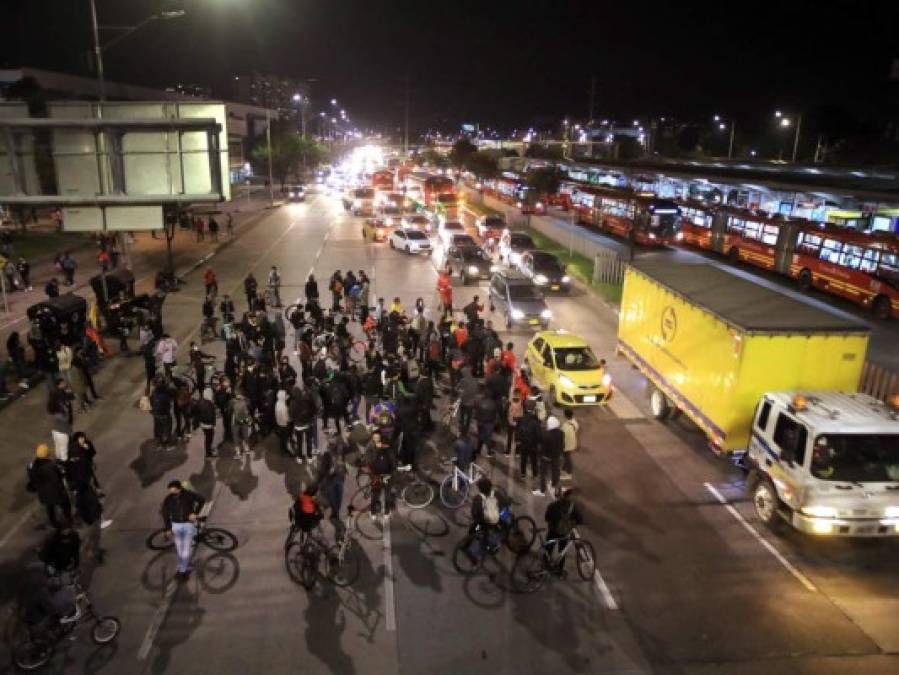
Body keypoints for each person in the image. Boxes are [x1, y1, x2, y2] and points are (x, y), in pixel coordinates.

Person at [161, 480, 205, 580]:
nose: (172, 494)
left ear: (179, 489)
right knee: (179, 549)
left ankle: (182, 570)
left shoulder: (188, 495)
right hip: (176, 525)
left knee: (185, 550)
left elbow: (201, 500)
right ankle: (186, 566)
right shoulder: (168, 499)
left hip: (188, 525)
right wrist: (167, 528)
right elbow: (165, 514)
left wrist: (195, 513)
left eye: (174, 491)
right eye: (170, 491)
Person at [27, 444, 72, 529]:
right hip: (55, 493)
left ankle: (54, 522)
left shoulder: (31, 465)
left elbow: (32, 478)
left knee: (50, 508)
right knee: (65, 505)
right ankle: (69, 520)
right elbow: (56, 480)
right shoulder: (50, 466)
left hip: (43, 493)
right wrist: (62, 490)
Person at [543, 488, 583, 573]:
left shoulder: (553, 505)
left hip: (552, 530)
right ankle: (559, 570)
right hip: (563, 532)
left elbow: (546, 517)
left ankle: (545, 565)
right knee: (562, 551)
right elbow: (579, 519)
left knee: (548, 548)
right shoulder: (572, 507)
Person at [366, 431, 395, 519]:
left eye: (377, 438)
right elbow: (392, 461)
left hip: (378, 475)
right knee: (382, 494)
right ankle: (381, 512)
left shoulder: (371, 447)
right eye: (375, 438)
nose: (376, 439)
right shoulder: (374, 447)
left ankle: (377, 512)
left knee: (379, 494)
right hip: (381, 475)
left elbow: (369, 462)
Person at [469, 477, 502, 555]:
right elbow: (503, 503)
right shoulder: (496, 494)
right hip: (493, 520)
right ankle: (493, 546)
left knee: (473, 530)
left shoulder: (478, 498)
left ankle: (467, 543)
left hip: (481, 522)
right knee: (497, 528)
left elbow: (474, 512)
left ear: (480, 489)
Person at [535, 415, 563, 498]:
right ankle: (554, 483)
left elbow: (541, 445)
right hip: (556, 456)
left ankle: (542, 490)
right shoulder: (561, 433)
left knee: (543, 474)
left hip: (546, 457)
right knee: (555, 471)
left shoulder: (545, 434)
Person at [195, 388, 217, 459]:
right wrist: (213, 424)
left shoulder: (200, 402)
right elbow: (211, 416)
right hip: (209, 425)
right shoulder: (210, 404)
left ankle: (208, 450)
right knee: (209, 439)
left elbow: (197, 412)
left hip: (202, 424)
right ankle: (208, 453)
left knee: (207, 438)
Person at [561, 408, 579, 478]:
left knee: (567, 458)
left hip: (566, 445)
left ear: (565, 415)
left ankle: (569, 473)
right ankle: (564, 469)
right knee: (566, 457)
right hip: (572, 443)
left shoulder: (566, 425)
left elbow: (563, 436)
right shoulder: (574, 422)